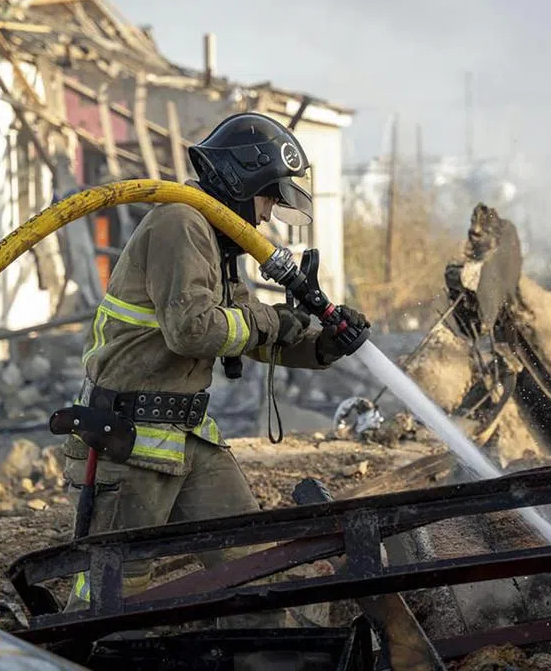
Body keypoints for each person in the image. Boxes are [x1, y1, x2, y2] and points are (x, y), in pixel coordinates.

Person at [62, 112, 368, 610]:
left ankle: (263, 650)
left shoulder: (216, 246)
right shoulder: (180, 224)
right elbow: (192, 330)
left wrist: (322, 344)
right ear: (243, 181)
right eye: (269, 198)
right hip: (128, 441)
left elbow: (248, 332)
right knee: (112, 595)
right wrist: (273, 321)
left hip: (185, 437)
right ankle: (64, 650)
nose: (266, 217)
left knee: (253, 571)